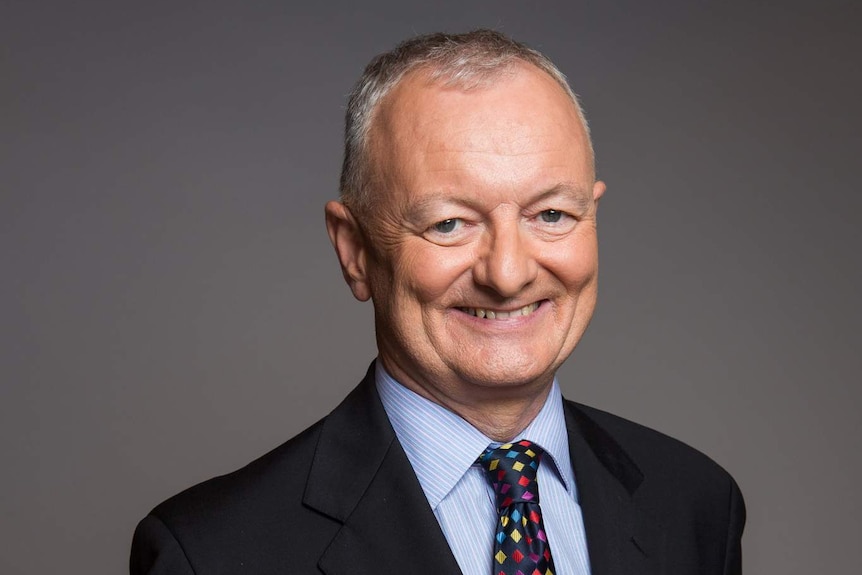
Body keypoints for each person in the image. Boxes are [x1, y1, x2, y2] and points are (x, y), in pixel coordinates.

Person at [130, 30, 745, 575]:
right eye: (450, 224)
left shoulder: (695, 505)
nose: (507, 274)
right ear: (354, 251)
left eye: (550, 214)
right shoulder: (208, 554)